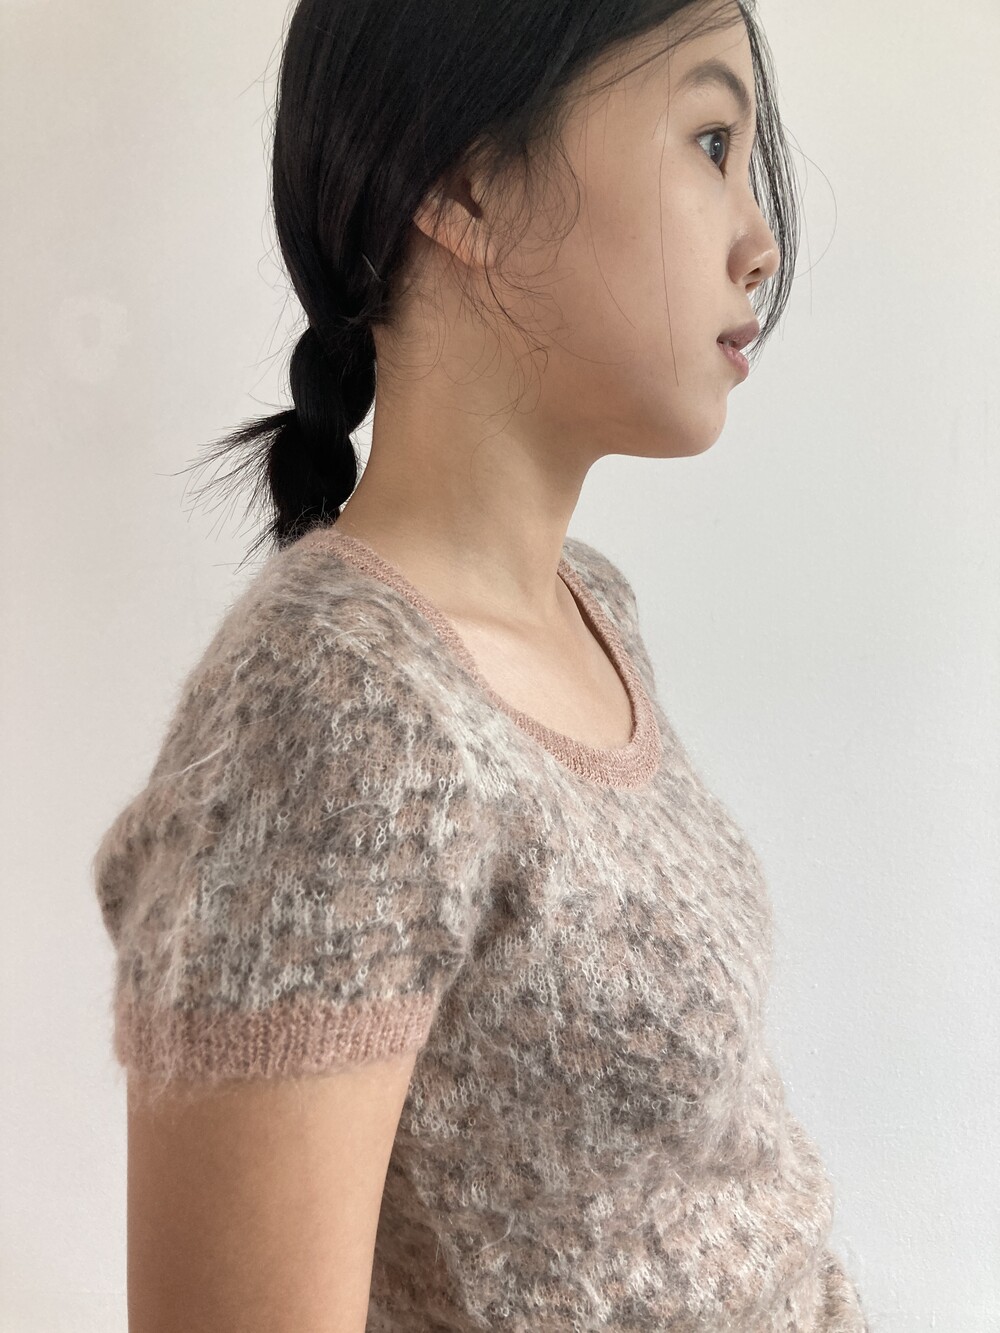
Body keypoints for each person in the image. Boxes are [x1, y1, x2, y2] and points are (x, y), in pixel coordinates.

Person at [91, 0, 871, 1328]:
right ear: (462, 186)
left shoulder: (589, 608)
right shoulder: (336, 706)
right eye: (709, 141)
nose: (762, 241)